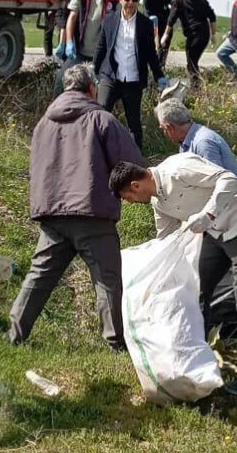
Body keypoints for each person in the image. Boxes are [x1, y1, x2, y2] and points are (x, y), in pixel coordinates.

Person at [9, 64, 148, 352]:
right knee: (107, 280)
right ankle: (116, 342)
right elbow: (131, 164)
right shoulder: (102, 119)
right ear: (92, 89)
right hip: (92, 211)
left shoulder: (43, 124)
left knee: (39, 276)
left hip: (52, 213)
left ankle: (15, 335)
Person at [111, 154, 237, 397]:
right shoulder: (158, 203)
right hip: (215, 233)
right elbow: (165, 240)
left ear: (135, 185)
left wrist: (208, 214)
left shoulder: (178, 168)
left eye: (128, 198)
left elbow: (227, 179)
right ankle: (197, 363)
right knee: (198, 290)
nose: (131, 203)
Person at [93, 0, 166, 149]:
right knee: (100, 114)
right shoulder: (109, 20)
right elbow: (101, 47)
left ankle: (136, 159)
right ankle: (96, 152)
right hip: (110, 76)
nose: (131, 3)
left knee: (134, 123)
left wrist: (159, 76)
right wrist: (93, 71)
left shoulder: (145, 24)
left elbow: (150, 53)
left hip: (133, 80)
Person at [154, 100, 237, 178]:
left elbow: (215, 180)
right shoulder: (186, 141)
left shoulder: (203, 143)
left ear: (170, 128)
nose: (164, 133)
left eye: (163, 129)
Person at [62, 0, 121, 68]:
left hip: (104, 54)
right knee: (62, 77)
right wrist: (69, 41)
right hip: (80, 51)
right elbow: (72, 17)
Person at [162, 0, 217, 88]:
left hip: (194, 34)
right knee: (193, 61)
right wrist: (213, 35)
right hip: (205, 34)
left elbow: (171, 18)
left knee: (191, 63)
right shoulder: (201, 0)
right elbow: (212, 17)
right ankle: (196, 86)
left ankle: (196, 88)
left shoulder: (178, 0)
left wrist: (165, 34)